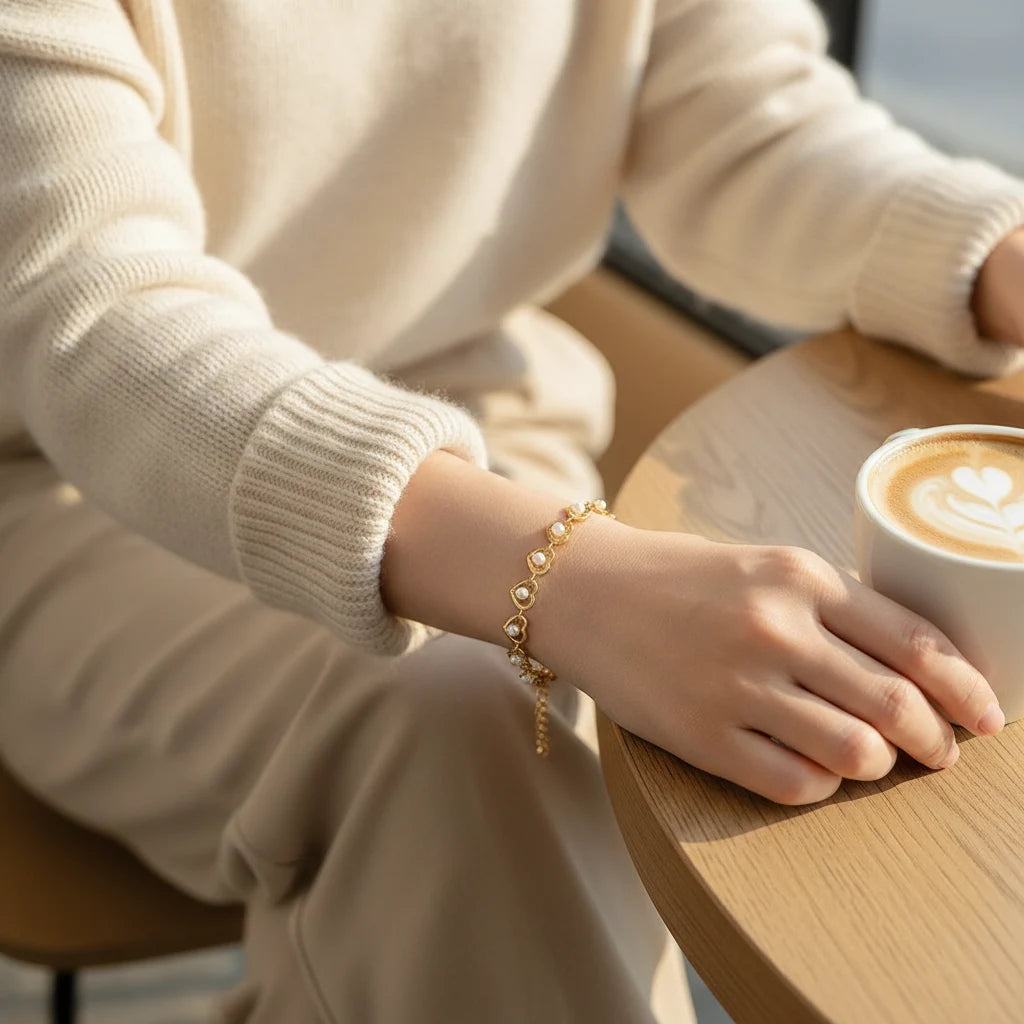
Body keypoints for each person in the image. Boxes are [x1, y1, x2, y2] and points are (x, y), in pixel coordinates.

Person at [1, 1, 1023, 1020]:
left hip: (474, 415)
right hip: (66, 486)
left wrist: (999, 258)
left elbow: (743, 119)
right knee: (481, 721)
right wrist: (572, 585)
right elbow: (92, 317)